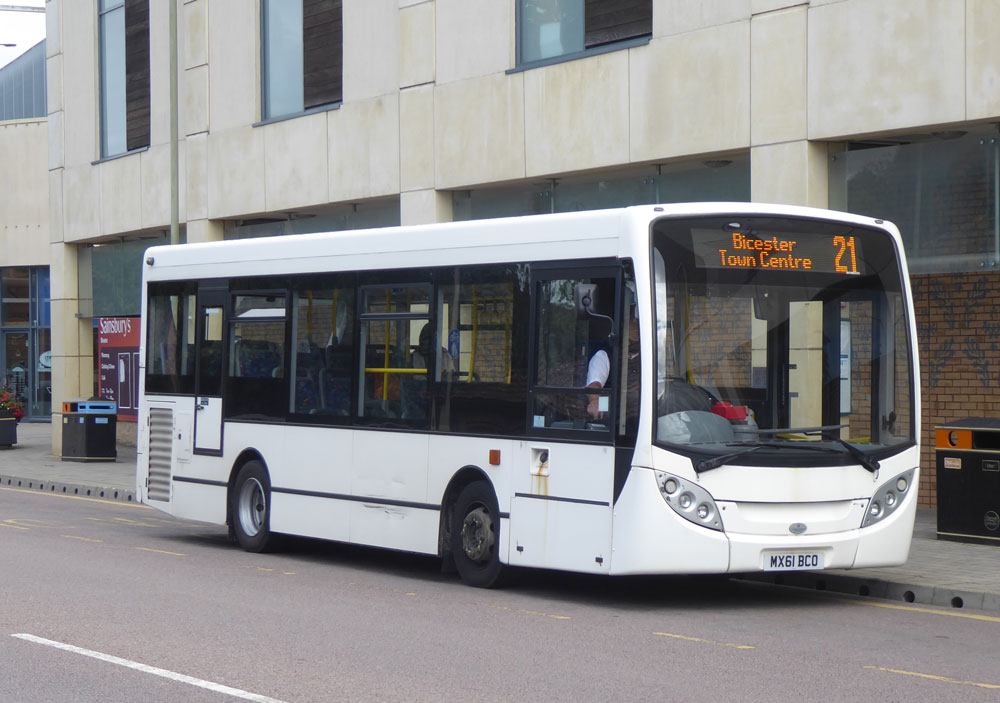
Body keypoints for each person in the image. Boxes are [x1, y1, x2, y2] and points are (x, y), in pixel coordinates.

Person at [587, 314, 639, 419]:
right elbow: (594, 386)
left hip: (642, 413)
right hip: (615, 419)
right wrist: (596, 401)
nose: (629, 343)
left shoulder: (647, 358)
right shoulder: (604, 356)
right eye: (628, 338)